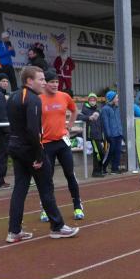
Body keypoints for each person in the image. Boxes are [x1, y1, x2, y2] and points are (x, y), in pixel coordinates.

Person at [6, 65, 78, 242]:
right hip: (30, 150)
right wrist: (39, 156)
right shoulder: (34, 99)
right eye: (41, 79)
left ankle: (14, 231)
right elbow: (33, 130)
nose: (44, 83)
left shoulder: (13, 96)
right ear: (29, 81)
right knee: (46, 187)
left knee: (20, 188)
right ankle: (57, 227)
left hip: (15, 147)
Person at [39, 69, 84, 221]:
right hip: (46, 144)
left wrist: (69, 127)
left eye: (57, 82)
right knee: (47, 178)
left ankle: (77, 206)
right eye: (52, 82)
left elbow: (74, 110)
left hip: (63, 143)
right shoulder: (38, 99)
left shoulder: (64, 96)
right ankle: (46, 208)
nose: (55, 84)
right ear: (45, 83)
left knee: (70, 174)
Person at [78, 93, 107, 178]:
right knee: (99, 153)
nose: (92, 101)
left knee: (99, 153)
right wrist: (89, 117)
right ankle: (96, 171)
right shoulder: (85, 109)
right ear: (88, 100)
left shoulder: (98, 110)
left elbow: (100, 124)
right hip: (92, 135)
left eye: (94, 100)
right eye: (91, 99)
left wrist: (102, 136)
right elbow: (79, 116)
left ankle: (99, 170)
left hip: (98, 135)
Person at [101, 90, 124, 174]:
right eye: (116, 98)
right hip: (111, 135)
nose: (118, 99)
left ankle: (115, 168)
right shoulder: (105, 109)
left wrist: (121, 132)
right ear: (112, 99)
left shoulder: (117, 108)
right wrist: (108, 135)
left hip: (118, 134)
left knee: (118, 151)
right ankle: (103, 167)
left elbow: (119, 121)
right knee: (109, 152)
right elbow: (105, 123)